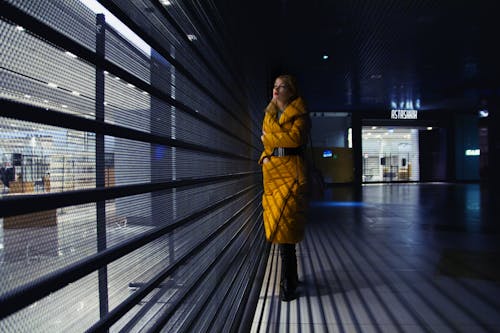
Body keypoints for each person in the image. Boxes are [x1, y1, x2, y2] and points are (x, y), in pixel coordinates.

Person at [258, 74, 309, 301]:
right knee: (279, 228)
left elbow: (295, 139)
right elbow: (276, 142)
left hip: (290, 172)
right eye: (275, 86)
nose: (277, 90)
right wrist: (265, 158)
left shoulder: (300, 114)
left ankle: (287, 282)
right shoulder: (269, 114)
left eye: (283, 86)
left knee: (286, 225)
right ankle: (292, 277)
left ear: (292, 91)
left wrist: (269, 139)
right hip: (273, 174)